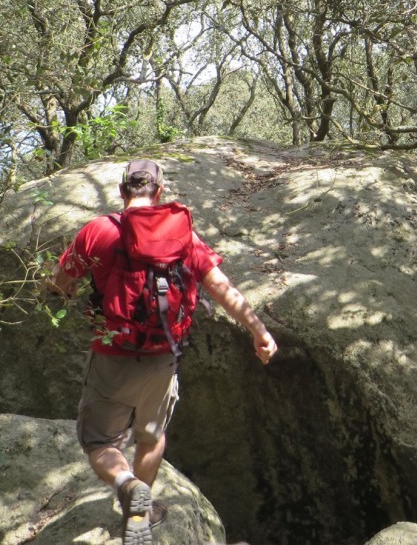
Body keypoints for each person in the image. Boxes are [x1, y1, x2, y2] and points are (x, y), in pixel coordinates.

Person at [42, 159, 278, 545]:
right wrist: (259, 330)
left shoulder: (98, 232)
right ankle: (143, 512)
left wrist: (53, 284)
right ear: (160, 192)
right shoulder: (183, 236)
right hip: (163, 357)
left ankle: (127, 484)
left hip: (113, 356)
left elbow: (63, 281)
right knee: (151, 437)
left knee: (101, 442)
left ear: (122, 192)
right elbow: (221, 287)